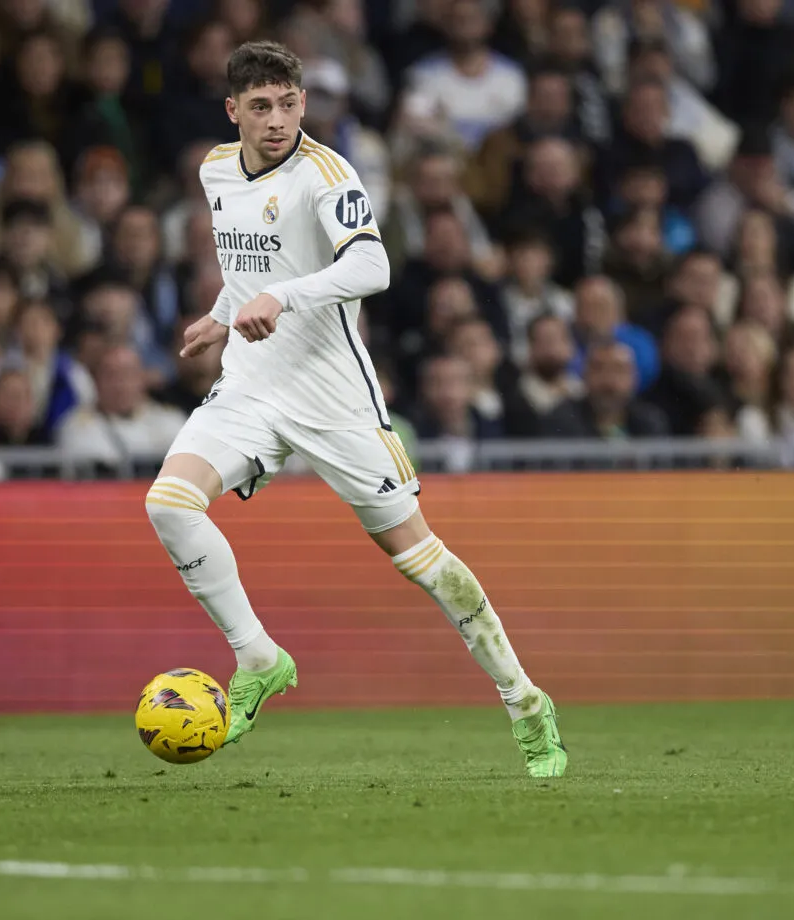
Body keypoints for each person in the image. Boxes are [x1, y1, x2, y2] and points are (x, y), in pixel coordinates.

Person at [145, 41, 566, 778]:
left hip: (334, 400)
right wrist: (225, 311)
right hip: (248, 387)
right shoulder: (216, 169)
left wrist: (283, 297)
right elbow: (253, 260)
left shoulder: (327, 175)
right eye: (260, 107)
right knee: (170, 503)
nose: (277, 121)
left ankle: (526, 702)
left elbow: (372, 265)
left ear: (303, 103)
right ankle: (259, 658)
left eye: (287, 104)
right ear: (233, 112)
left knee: (424, 563)